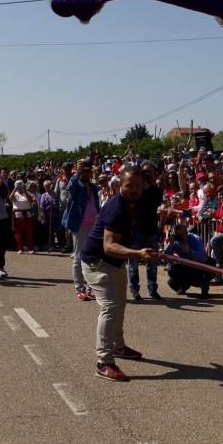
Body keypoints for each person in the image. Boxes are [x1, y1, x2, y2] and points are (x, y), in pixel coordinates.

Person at [80, 166, 157, 382]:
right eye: (129, 185)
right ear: (119, 185)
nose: (134, 190)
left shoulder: (139, 204)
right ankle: (103, 362)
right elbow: (109, 246)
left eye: (138, 186)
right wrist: (138, 253)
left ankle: (118, 346)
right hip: (97, 261)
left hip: (115, 261)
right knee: (110, 306)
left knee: (120, 303)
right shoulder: (116, 208)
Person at [63, 160, 99, 301]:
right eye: (87, 170)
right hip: (80, 226)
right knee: (78, 257)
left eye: (90, 170)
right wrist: (76, 174)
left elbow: (97, 205)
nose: (90, 173)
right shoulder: (76, 184)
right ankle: (80, 288)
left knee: (93, 258)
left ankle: (91, 288)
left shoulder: (93, 187)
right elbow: (70, 189)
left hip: (94, 225)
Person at [128, 162, 162, 301]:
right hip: (136, 231)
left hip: (151, 231)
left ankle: (152, 289)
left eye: (150, 171)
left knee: (152, 264)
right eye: (145, 171)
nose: (148, 174)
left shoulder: (157, 191)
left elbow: (155, 204)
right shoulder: (136, 191)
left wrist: (149, 185)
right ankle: (134, 290)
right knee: (133, 264)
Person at [164, 221, 210, 298]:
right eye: (177, 235)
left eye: (180, 235)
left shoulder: (195, 238)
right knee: (171, 275)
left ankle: (204, 288)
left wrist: (190, 251)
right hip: (185, 265)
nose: (178, 237)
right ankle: (184, 286)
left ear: (186, 233)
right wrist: (171, 244)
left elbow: (204, 257)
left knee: (209, 264)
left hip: (198, 266)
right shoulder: (176, 241)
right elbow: (166, 257)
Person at [11, 179, 36, 254]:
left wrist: (25, 190)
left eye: (20, 186)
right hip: (18, 215)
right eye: (18, 186)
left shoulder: (27, 193)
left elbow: (30, 200)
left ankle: (30, 248)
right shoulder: (15, 194)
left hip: (27, 214)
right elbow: (10, 198)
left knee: (29, 232)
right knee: (19, 233)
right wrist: (15, 188)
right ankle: (20, 248)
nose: (20, 188)